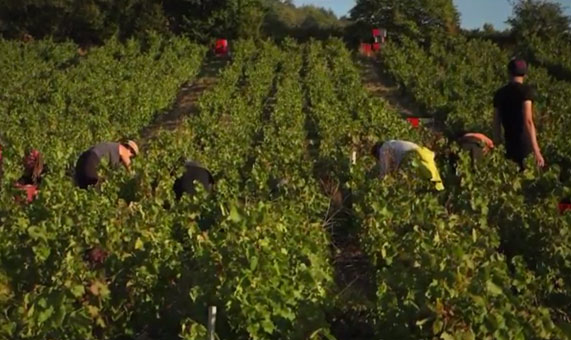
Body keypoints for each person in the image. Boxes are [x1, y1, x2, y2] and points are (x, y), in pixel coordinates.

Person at [493, 58, 544, 170]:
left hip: (508, 143)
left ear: (509, 72)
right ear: (524, 74)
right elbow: (528, 121)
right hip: (525, 145)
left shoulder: (500, 94)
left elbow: (496, 123)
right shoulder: (526, 92)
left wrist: (496, 147)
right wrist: (536, 150)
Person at [371, 140, 444, 191]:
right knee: (434, 177)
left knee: (422, 179)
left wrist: (379, 185)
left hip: (413, 157)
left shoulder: (384, 148)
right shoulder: (392, 144)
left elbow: (385, 170)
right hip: (424, 153)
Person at [74, 140, 139, 189]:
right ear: (130, 149)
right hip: (91, 160)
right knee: (95, 189)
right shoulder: (122, 149)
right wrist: (133, 175)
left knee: (84, 190)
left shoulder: (113, 150)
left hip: (82, 161)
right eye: (132, 155)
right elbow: (126, 160)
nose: (130, 157)